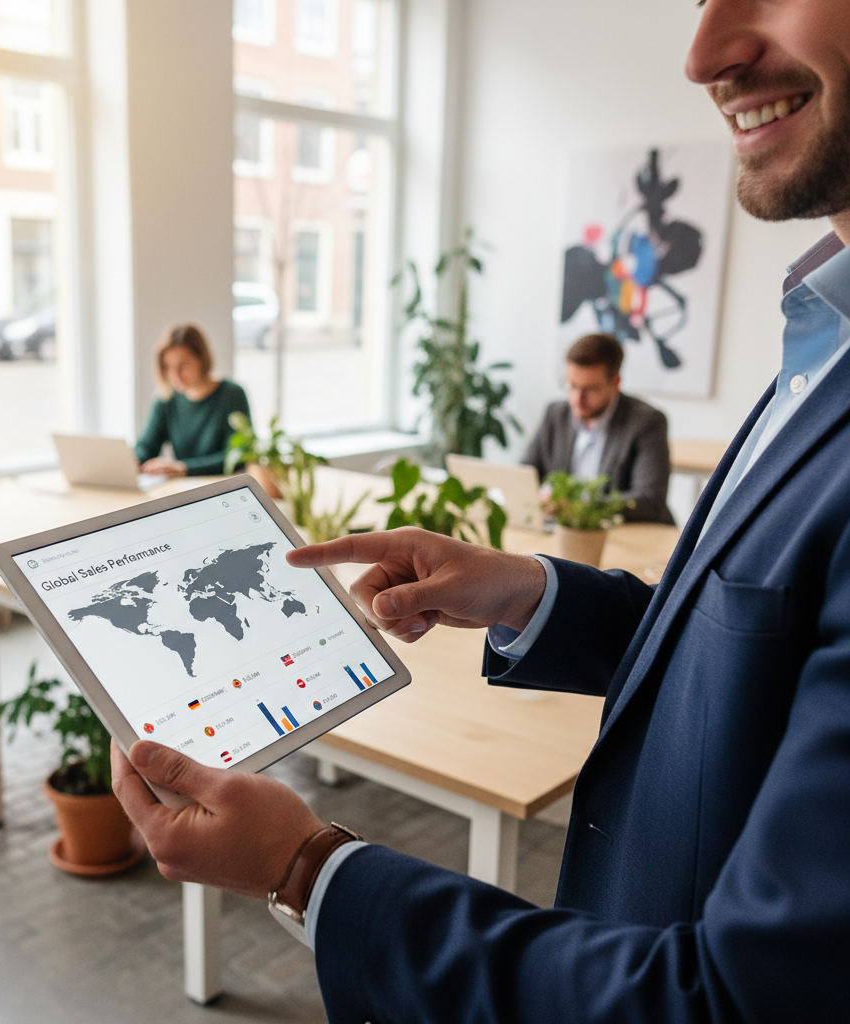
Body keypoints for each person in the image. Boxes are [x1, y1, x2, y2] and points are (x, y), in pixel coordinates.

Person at [111, 2, 850, 1021]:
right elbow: (749, 650)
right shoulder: (821, 339)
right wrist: (529, 589)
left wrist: (305, 864)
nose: (700, 53)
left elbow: (734, 1001)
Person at [522, 332, 674, 524]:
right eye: (572, 385)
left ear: (615, 383)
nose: (578, 399)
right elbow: (526, 474)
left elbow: (650, 500)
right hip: (563, 532)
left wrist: (576, 505)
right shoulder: (556, 414)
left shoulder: (647, 422)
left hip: (628, 536)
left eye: (590, 389)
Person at [134, 323, 250, 477]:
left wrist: (184, 468)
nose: (175, 375)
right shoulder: (166, 399)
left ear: (202, 359)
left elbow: (238, 456)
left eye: (183, 365)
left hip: (221, 486)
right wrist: (133, 461)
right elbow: (147, 446)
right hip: (182, 487)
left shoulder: (231, 394)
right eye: (168, 367)